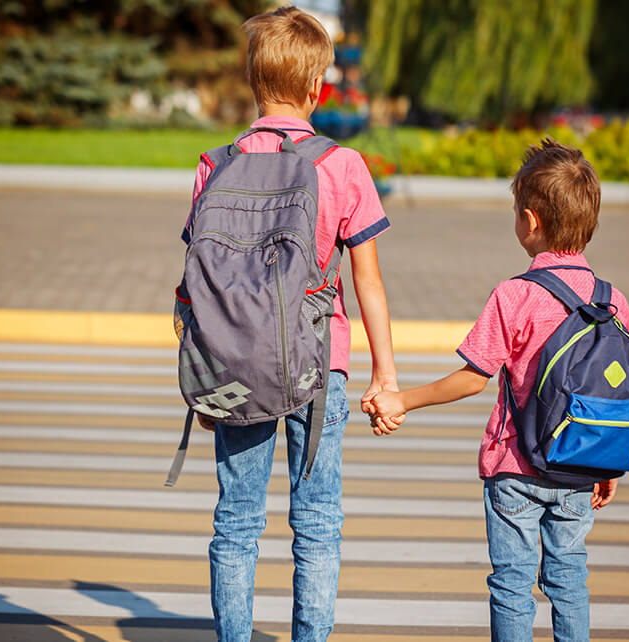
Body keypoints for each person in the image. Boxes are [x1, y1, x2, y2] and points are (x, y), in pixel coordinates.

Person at [181, 7, 398, 641]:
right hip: (319, 365)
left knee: (237, 522)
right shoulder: (343, 164)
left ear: (251, 80)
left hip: (232, 366)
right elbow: (368, 282)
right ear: (316, 88)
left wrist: (203, 378)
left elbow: (194, 284)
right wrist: (385, 377)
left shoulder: (213, 164)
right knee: (319, 520)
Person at [367, 139, 629, 641]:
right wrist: (608, 463)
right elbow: (611, 393)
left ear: (530, 221)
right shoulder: (614, 302)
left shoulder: (515, 295)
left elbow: (473, 377)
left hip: (515, 468)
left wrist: (403, 399)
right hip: (580, 465)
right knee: (570, 578)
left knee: (511, 585)